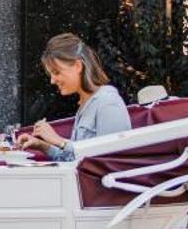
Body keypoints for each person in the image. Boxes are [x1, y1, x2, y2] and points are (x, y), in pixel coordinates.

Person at [17, 33, 131, 162]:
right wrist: (41, 145)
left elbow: (110, 160)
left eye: (56, 72)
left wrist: (58, 141)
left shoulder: (108, 103)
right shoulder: (86, 104)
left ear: (78, 66)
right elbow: (75, 159)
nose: (52, 81)